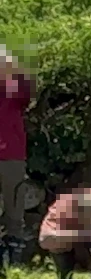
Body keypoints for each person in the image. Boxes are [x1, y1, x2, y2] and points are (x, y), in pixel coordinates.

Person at [0, 46, 33, 247]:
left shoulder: (12, 88)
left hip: (11, 153)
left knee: (14, 205)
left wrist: (12, 67)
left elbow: (26, 94)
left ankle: (14, 253)